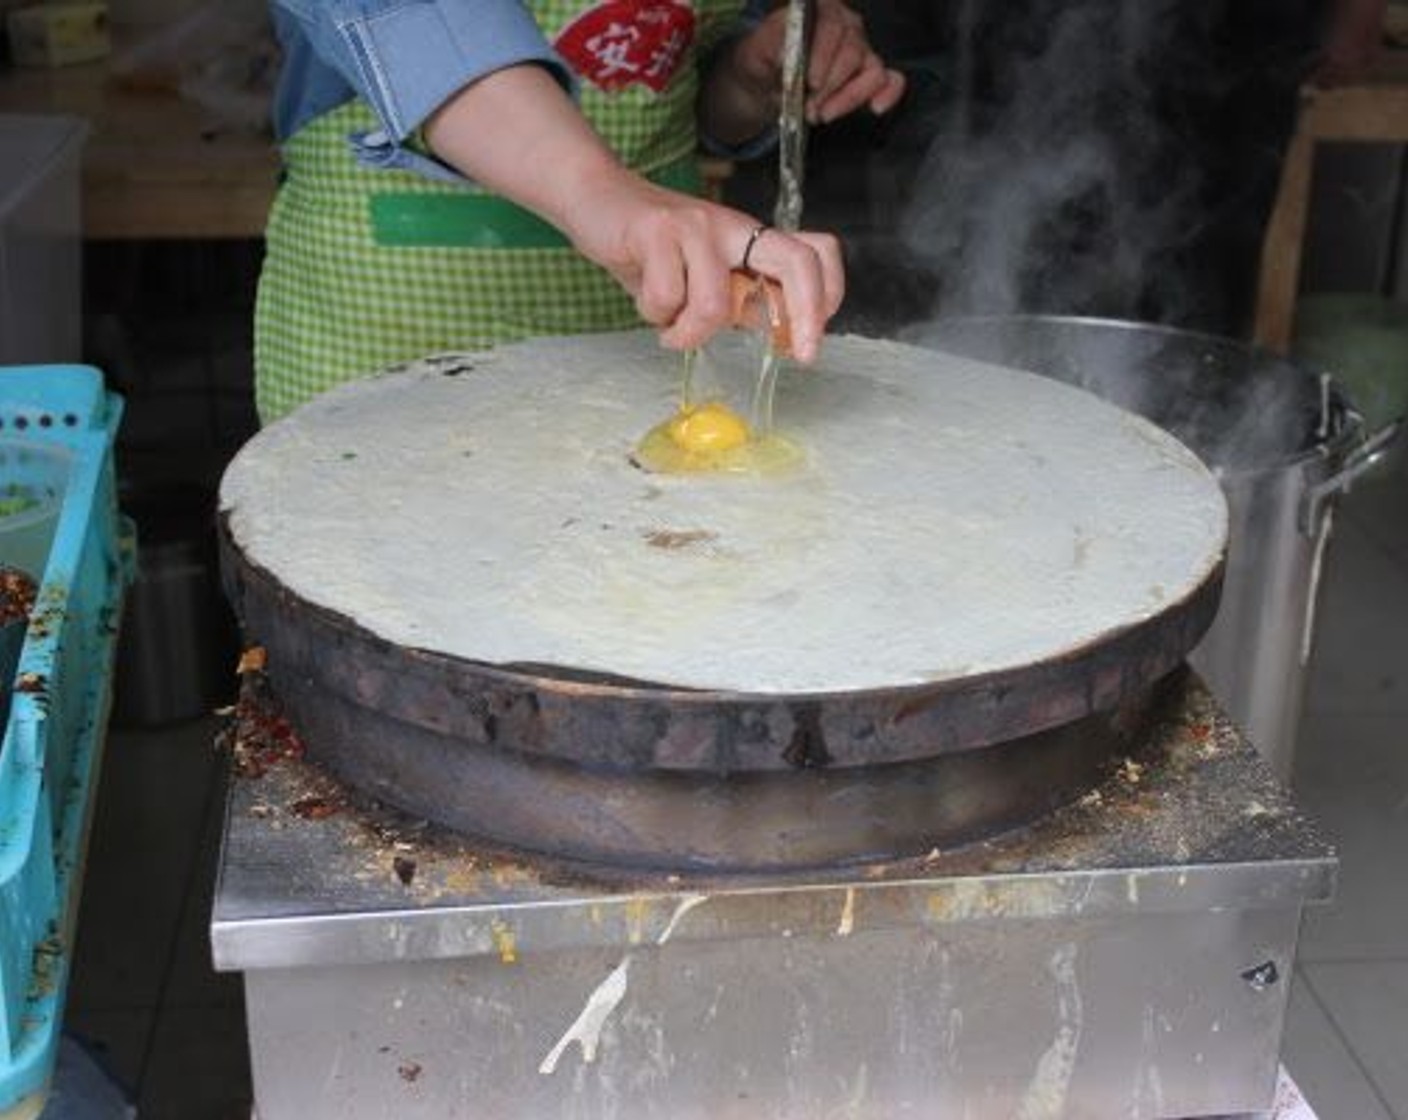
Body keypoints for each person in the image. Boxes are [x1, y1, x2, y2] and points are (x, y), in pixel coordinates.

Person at [255, 0, 905, 422]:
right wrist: (599, 191)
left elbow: (680, 93)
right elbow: (412, 18)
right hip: (387, 318)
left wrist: (750, 79)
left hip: (643, 311)